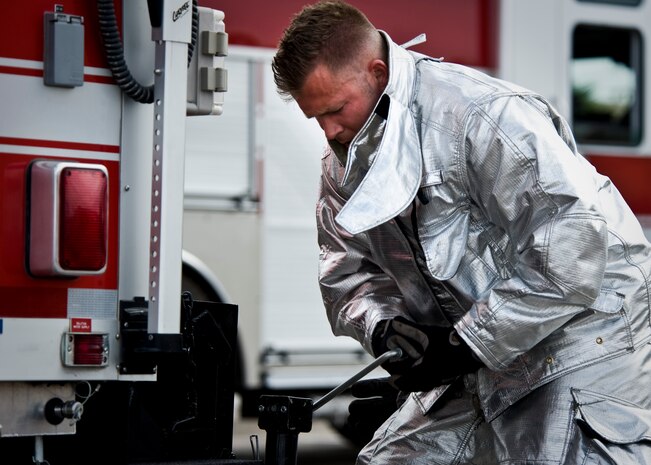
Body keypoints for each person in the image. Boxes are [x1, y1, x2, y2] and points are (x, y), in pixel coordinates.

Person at [272, 1, 651, 463]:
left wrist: (465, 344)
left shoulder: (480, 117)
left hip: (587, 336)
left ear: (376, 72)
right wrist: (385, 328)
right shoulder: (343, 162)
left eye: (335, 109)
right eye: (316, 119)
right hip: (480, 354)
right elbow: (346, 272)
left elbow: (571, 249)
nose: (330, 131)